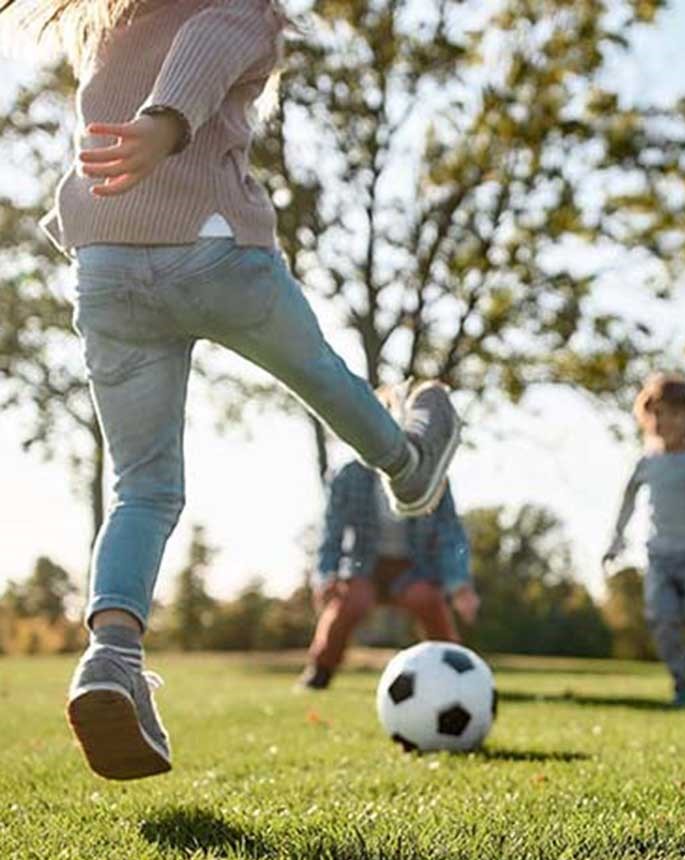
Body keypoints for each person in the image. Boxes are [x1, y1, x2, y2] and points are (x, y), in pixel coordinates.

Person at [2, 0, 461, 780]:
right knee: (323, 376)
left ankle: (111, 656)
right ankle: (409, 465)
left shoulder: (109, 27)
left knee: (140, 491)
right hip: (216, 251)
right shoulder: (243, 8)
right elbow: (206, 45)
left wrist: (96, 206)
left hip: (107, 269)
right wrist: (168, 122)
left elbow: (120, 113)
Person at [298, 389, 479, 690]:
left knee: (429, 600)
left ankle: (458, 673)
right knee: (351, 603)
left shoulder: (432, 476)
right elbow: (331, 531)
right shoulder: (349, 475)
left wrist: (459, 584)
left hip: (411, 568)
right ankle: (320, 670)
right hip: (363, 566)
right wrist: (325, 575)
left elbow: (450, 532)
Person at [603, 373, 685, 707]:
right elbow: (627, 502)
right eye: (658, 413)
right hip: (659, 556)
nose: (666, 421)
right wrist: (616, 540)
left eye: (675, 414)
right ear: (647, 418)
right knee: (662, 621)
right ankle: (683, 683)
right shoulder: (647, 463)